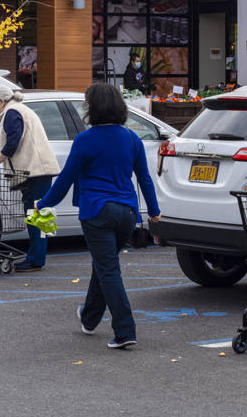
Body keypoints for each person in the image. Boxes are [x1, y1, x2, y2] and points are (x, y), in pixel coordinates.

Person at [39, 82, 161, 350]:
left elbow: (65, 181)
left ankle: (125, 330)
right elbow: (145, 179)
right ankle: (89, 318)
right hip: (127, 213)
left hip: (96, 212)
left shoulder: (85, 140)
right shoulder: (132, 138)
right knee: (103, 265)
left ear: (91, 109)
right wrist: (153, 211)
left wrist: (43, 204)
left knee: (108, 270)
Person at [0, 85, 57, 272]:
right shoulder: (20, 109)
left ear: (1, 101)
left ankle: (36, 260)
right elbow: (19, 140)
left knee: (35, 216)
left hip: (34, 171)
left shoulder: (12, 112)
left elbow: (12, 144)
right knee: (40, 216)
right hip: (41, 170)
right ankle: (38, 257)